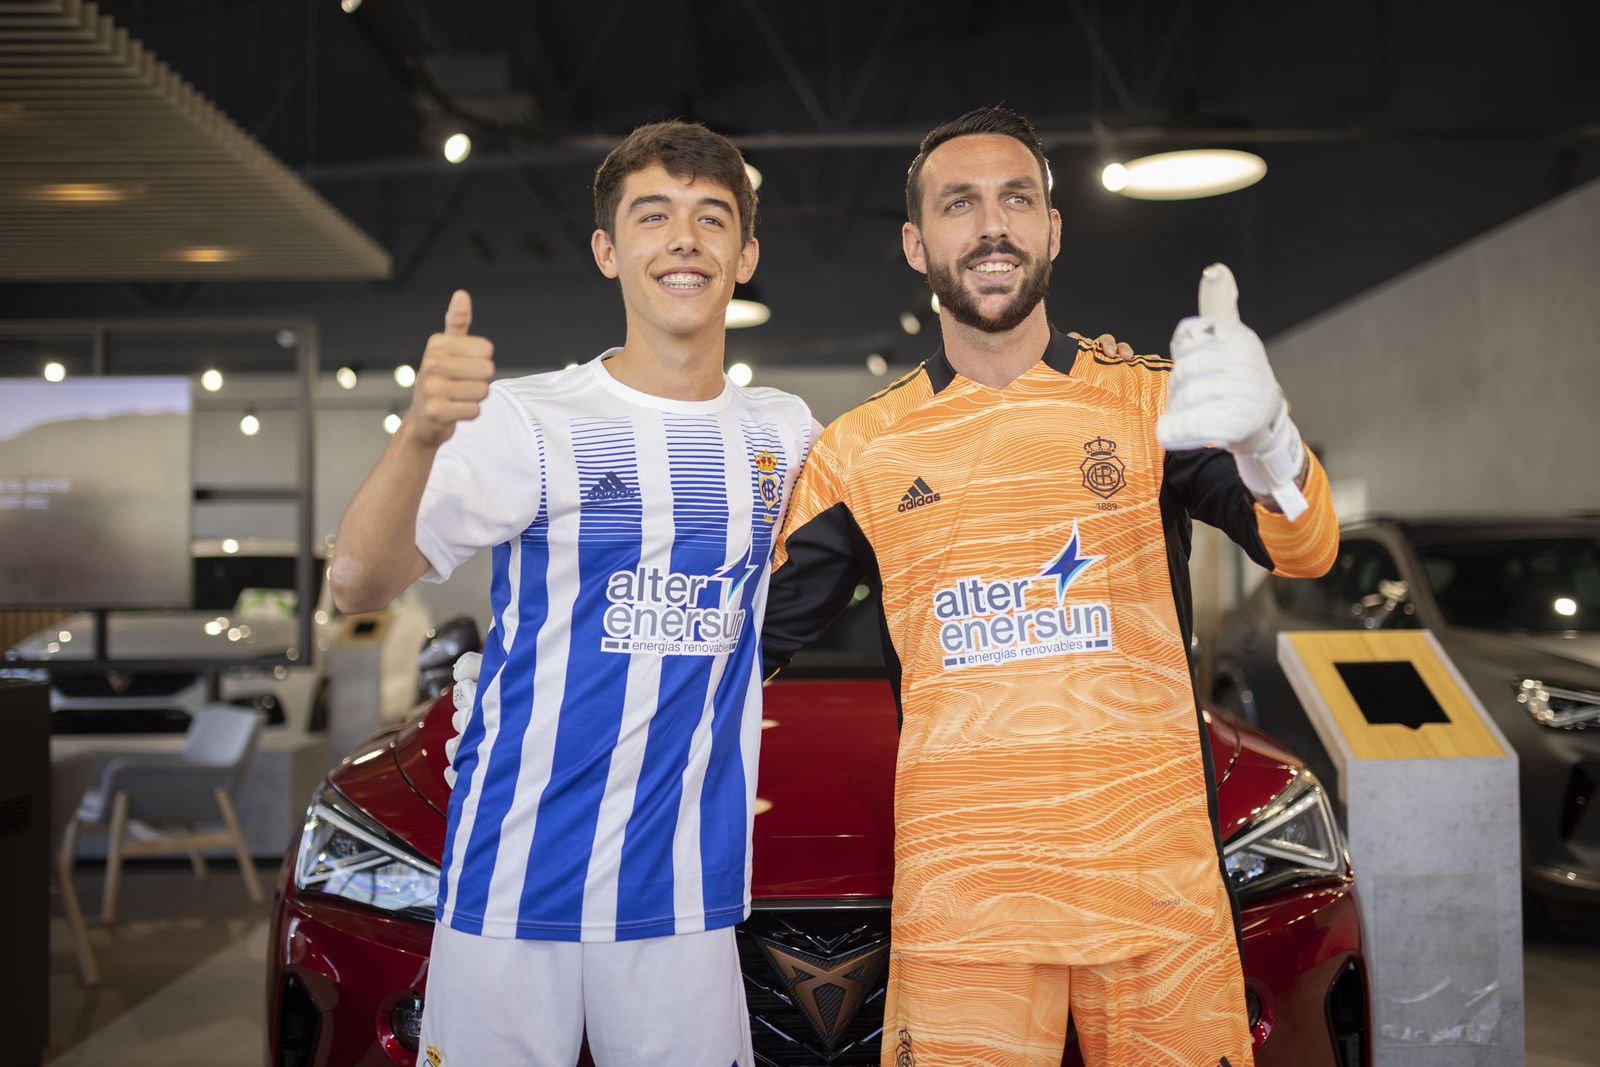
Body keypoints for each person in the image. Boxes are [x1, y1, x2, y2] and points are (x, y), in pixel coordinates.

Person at [758, 107, 1339, 1067]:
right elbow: (746, 644)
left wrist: (1270, 440)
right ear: (916, 242)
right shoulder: (859, 449)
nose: (992, 226)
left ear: (1053, 229)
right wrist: (553, 693)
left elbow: (1308, 550)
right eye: (960, 205)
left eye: (1016, 199)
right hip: (966, 919)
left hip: (1157, 906)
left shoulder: (1154, 401)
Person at [329, 120, 815, 1067]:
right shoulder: (529, 418)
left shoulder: (784, 433)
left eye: (713, 218)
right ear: (607, 250)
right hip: (513, 879)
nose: (684, 238)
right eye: (653, 215)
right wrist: (421, 431)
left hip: (680, 896)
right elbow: (355, 579)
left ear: (745, 254)